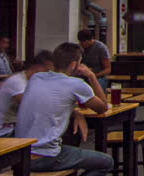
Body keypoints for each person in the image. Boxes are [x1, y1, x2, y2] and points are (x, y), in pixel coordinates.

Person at [16, 42, 113, 175]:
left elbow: (48, 104)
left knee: (69, 147)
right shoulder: (76, 84)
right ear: (74, 65)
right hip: (45, 157)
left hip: (20, 155)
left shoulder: (36, 78)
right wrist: (91, 75)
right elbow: (103, 108)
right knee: (106, 162)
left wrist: (76, 113)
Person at [0, 50, 54, 137]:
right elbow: (33, 107)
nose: (50, 75)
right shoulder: (17, 82)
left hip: (18, 130)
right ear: (37, 67)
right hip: (3, 133)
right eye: (48, 71)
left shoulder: (35, 82)